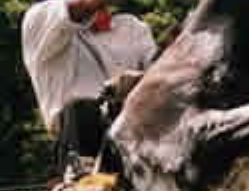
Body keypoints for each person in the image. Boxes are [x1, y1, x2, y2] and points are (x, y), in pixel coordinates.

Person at [22, 0, 157, 178]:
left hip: (137, 136)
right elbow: (79, 7)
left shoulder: (132, 27)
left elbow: (158, 73)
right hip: (83, 139)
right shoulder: (39, 18)